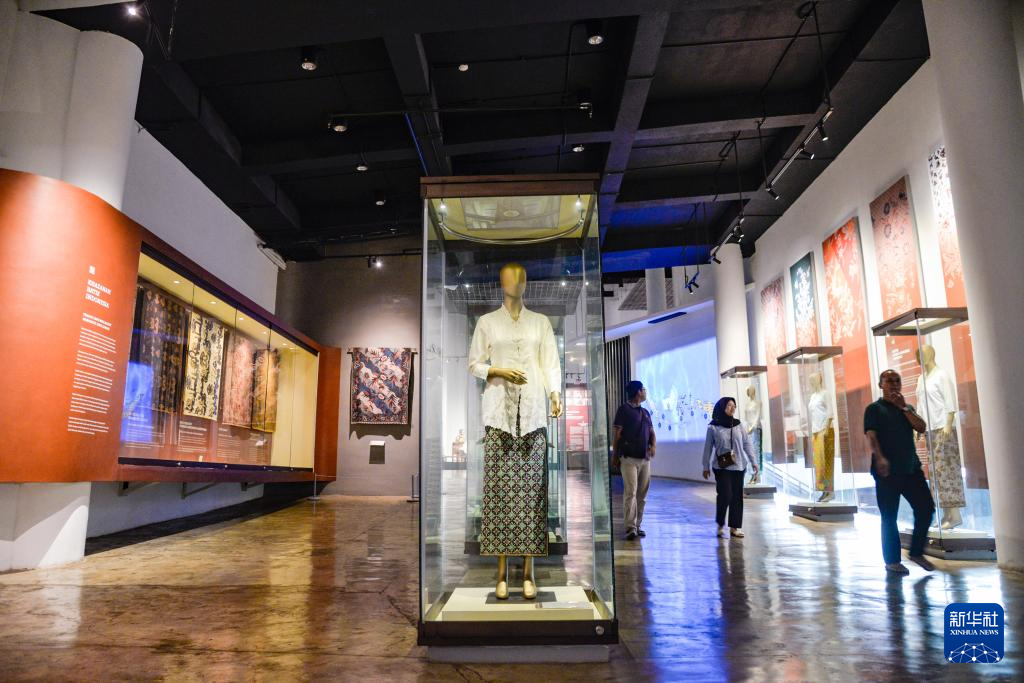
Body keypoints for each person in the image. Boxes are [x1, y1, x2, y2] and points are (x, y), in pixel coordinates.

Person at [864, 369, 936, 575]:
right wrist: (880, 457)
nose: (894, 384)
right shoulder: (874, 409)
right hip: (887, 472)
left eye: (897, 381)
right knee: (889, 516)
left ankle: (916, 552)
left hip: (911, 469)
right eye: (889, 381)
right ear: (881, 385)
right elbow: (871, 435)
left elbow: (921, 427)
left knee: (926, 509)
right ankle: (892, 561)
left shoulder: (907, 409)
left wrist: (904, 407)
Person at [702, 397, 758, 538]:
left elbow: (747, 444)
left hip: (739, 466)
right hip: (722, 466)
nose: (732, 408)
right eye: (729, 405)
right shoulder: (713, 427)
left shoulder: (739, 425)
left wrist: (754, 461)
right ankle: (720, 524)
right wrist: (705, 466)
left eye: (734, 406)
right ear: (722, 407)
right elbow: (708, 447)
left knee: (737, 498)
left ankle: (734, 527)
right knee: (725, 495)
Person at [612, 380, 655, 540]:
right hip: (628, 458)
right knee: (631, 492)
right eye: (643, 389)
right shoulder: (623, 410)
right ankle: (630, 527)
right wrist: (615, 456)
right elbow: (617, 435)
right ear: (638, 392)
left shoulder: (645, 412)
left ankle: (638, 525)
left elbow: (651, 432)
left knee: (642, 494)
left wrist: (653, 446)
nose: (645, 392)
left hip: (645, 459)